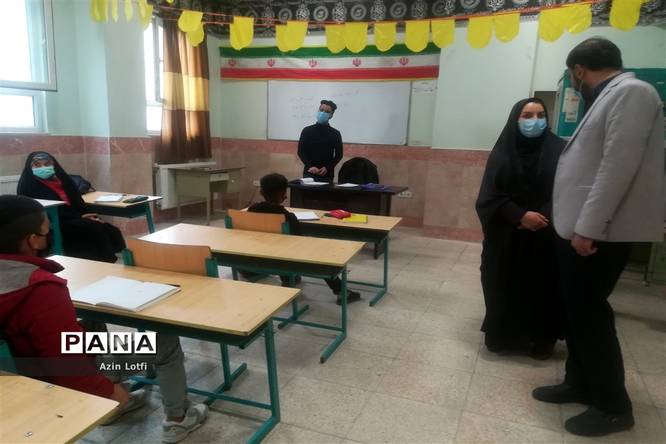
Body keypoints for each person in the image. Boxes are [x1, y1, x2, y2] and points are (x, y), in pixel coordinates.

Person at [532, 38, 664, 437]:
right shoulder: (613, 95)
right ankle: (580, 383)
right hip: (582, 228)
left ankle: (612, 406)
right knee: (576, 312)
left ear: (578, 71)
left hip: (597, 233)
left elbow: (617, 167)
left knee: (591, 316)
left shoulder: (633, 93)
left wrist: (588, 227)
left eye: (572, 77)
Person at [0, 195, 208, 443]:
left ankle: (118, 391)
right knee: (164, 343)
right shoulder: (41, 288)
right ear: (32, 240)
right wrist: (107, 392)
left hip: (19, 367)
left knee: (92, 325)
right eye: (46, 230)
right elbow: (66, 361)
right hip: (48, 376)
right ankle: (177, 419)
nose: (50, 234)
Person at [475, 98, 565, 360]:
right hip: (507, 235)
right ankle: (502, 334)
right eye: (527, 115)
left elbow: (568, 190)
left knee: (544, 288)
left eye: (540, 115)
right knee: (500, 283)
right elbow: (489, 195)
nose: (534, 121)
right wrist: (519, 215)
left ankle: (542, 338)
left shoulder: (561, 150)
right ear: (516, 119)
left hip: (546, 235)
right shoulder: (503, 151)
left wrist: (541, 217)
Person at [247, 173, 362, 305]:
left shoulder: (252, 210)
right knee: (318, 255)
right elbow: (299, 243)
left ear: (262, 192)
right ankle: (342, 292)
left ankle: (287, 279)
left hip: (258, 256)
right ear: (283, 194)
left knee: (279, 248)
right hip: (284, 260)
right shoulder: (287, 217)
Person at [16, 151, 125, 263]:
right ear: (30, 167)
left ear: (54, 165)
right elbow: (43, 211)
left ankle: (117, 259)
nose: (43, 167)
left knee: (110, 229)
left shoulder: (64, 180)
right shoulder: (29, 185)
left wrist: (88, 214)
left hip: (76, 216)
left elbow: (78, 201)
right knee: (93, 230)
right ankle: (97, 263)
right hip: (54, 221)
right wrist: (80, 217)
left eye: (47, 164)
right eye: (37, 165)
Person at [297, 100, 343, 182]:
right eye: (321, 110)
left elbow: (339, 155)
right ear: (318, 111)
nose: (323, 113)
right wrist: (310, 166)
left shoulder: (335, 133)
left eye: (327, 112)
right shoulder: (307, 131)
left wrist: (327, 167)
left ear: (331, 115)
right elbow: (301, 151)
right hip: (309, 173)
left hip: (327, 175)